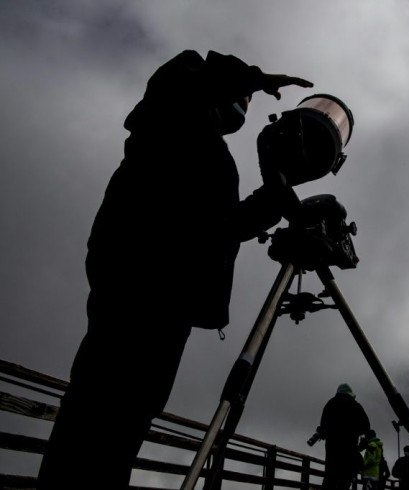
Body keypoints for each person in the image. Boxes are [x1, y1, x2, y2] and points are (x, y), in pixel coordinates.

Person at [37, 50, 313, 489]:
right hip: (138, 295)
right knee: (95, 421)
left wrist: (276, 189)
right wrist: (253, 76)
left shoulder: (211, 153)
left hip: (172, 307)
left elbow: (219, 230)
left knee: (122, 431)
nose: (247, 103)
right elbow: (179, 82)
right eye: (242, 95)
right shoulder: (172, 114)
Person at [319, 383, 371, 490]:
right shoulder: (355, 405)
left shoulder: (330, 404)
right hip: (349, 449)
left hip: (332, 449)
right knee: (344, 480)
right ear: (350, 394)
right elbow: (366, 427)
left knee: (329, 478)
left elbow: (323, 427)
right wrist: (359, 435)